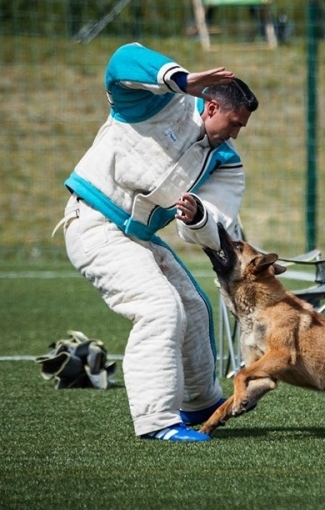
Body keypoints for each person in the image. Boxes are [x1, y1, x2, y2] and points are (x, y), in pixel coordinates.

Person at [55, 42, 258, 442]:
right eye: (234, 123)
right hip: (93, 221)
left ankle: (201, 403)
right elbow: (122, 61)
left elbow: (215, 222)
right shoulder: (160, 103)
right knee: (160, 308)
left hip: (139, 236)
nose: (235, 134)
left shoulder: (226, 161)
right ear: (212, 107)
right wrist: (180, 79)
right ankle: (157, 422)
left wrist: (199, 216)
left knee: (194, 308)